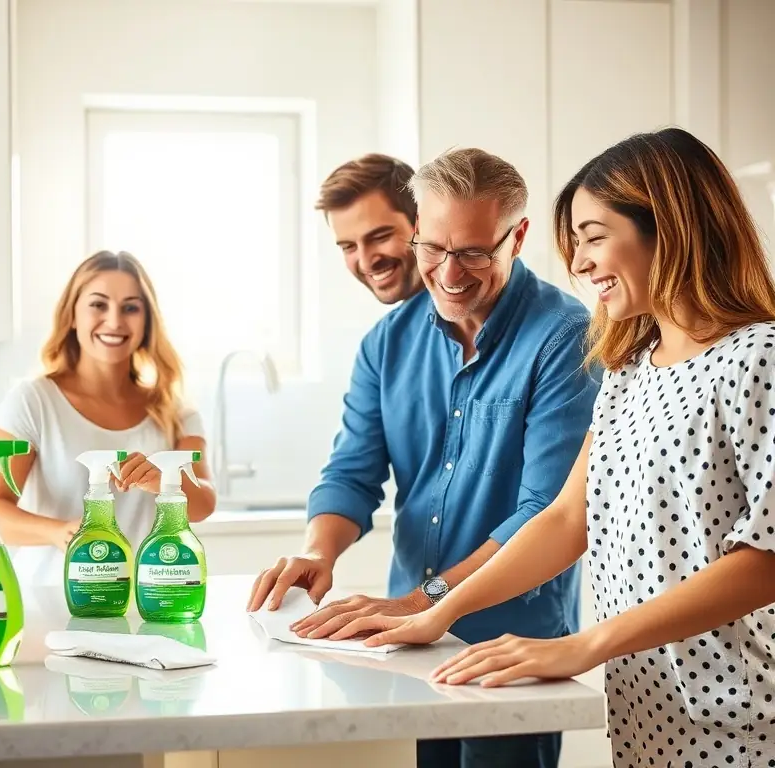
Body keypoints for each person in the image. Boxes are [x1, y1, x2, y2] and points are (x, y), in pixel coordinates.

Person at [333, 127, 775, 768]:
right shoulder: (629, 368)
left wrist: (586, 644)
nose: (580, 263)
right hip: (648, 712)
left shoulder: (759, 357)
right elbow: (568, 518)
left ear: (671, 228)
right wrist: (437, 613)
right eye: (575, 244)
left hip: (743, 715)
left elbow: (766, 555)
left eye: (595, 237)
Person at [246, 150, 601, 767]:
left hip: (512, 648)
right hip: (410, 647)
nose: (448, 273)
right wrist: (316, 551)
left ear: (517, 237)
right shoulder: (387, 342)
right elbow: (351, 473)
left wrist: (428, 598)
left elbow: (547, 510)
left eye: (473, 253)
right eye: (433, 249)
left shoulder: (564, 336)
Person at [0, 250, 217, 586]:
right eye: (98, 304)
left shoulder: (174, 409)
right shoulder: (33, 401)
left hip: (144, 602)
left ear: (147, 322)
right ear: (72, 315)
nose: (114, 321)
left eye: (130, 308)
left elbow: (204, 504)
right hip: (50, 599)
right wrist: (60, 533)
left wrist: (163, 480)